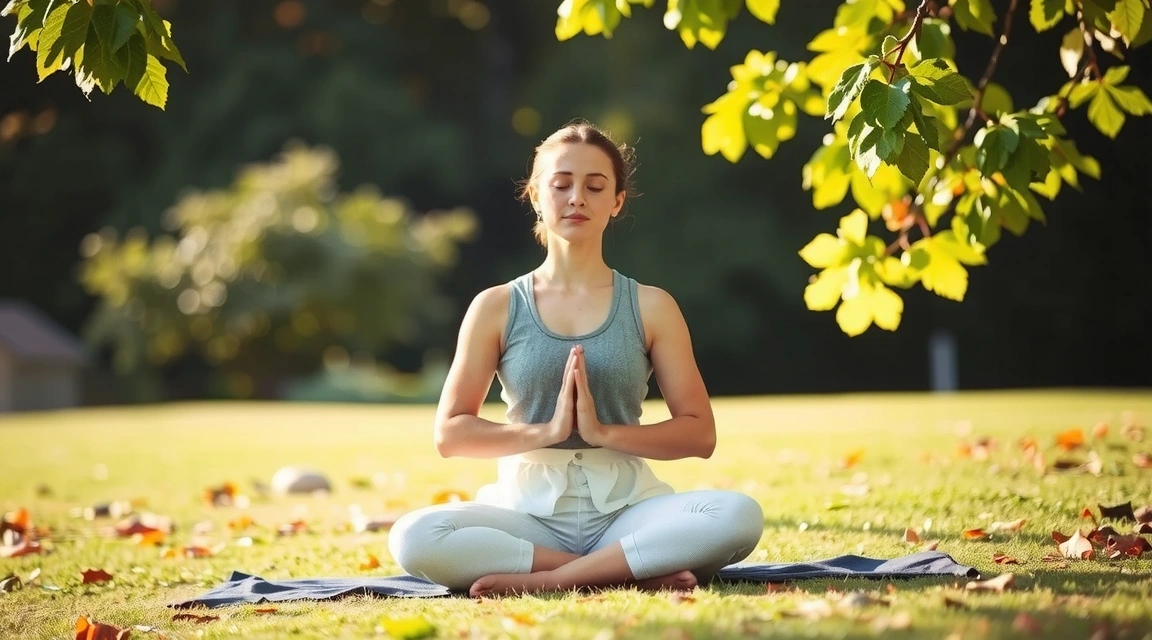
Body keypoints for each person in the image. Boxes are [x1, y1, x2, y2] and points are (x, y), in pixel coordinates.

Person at [387, 119, 764, 598]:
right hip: (528, 515)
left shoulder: (652, 306)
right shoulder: (497, 306)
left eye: (595, 186)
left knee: (736, 515)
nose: (577, 198)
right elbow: (451, 433)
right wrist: (548, 432)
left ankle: (551, 580)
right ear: (536, 196)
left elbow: (700, 433)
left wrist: (604, 433)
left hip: (628, 511)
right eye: (561, 184)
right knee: (415, 536)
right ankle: (627, 569)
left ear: (617, 202)